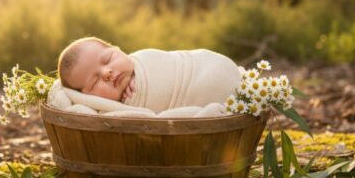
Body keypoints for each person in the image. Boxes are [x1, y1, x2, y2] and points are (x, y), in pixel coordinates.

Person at [57, 37, 240, 113]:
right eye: (95, 80)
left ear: (119, 50)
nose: (107, 73)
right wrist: (131, 102)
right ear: (86, 98)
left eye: (108, 59)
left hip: (208, 67)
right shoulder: (111, 113)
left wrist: (141, 82)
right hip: (214, 97)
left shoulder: (144, 59)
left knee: (213, 77)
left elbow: (168, 64)